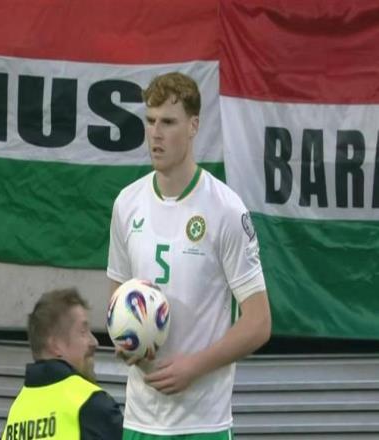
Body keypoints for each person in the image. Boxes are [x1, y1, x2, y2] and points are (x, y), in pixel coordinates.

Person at [107, 72, 271, 439]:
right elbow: (117, 299)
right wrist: (126, 342)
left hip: (203, 423)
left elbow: (259, 322)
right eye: (150, 121)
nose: (155, 134)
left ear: (194, 126)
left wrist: (193, 367)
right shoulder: (126, 204)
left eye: (168, 122)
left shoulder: (225, 210)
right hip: (140, 420)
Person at [1, 288, 123, 440]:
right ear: (55, 345)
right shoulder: (90, 403)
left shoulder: (17, 412)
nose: (94, 342)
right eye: (83, 332)